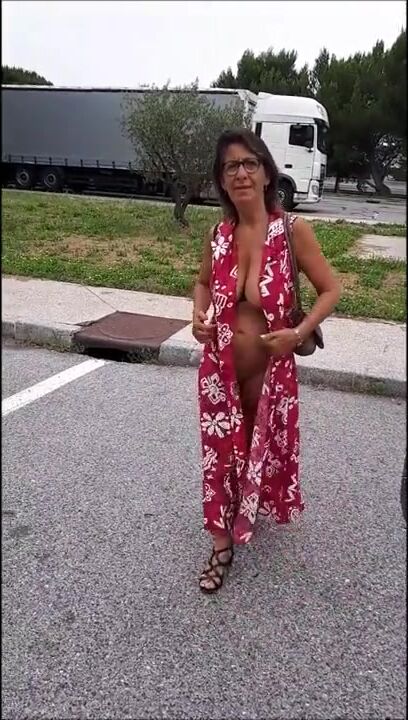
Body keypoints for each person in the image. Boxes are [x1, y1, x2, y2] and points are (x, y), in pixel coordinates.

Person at [192, 128, 341, 594]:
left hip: (270, 373)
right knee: (219, 455)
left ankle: (247, 507)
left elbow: (331, 290)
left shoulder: (292, 231)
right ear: (221, 180)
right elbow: (202, 284)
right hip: (219, 372)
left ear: (266, 173)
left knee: (257, 448)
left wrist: (296, 333)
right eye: (230, 167)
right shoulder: (218, 236)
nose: (240, 173)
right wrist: (197, 315)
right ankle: (221, 544)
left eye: (249, 163)